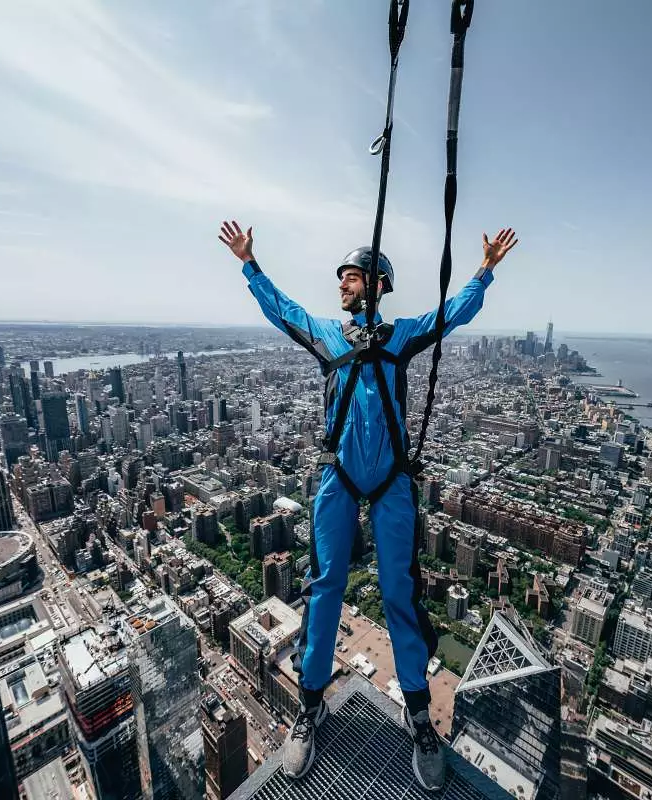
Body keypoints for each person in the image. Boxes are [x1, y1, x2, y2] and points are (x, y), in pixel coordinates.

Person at [217, 220, 518, 791]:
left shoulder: (400, 338)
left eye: (351, 277)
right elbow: (284, 312)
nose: (342, 286)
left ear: (377, 284)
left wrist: (484, 271)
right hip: (339, 477)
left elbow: (448, 315)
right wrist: (250, 265)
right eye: (342, 279)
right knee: (325, 586)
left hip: (392, 483)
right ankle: (310, 706)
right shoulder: (332, 338)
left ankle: (419, 716)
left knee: (400, 595)